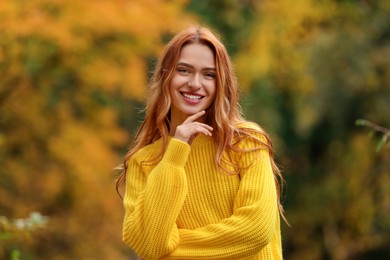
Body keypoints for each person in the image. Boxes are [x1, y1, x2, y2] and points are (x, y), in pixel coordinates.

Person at [116, 25, 287, 259]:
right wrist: (175, 153)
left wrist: (168, 253)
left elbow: (255, 231)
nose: (195, 84)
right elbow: (150, 244)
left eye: (209, 74)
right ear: (166, 76)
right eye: (184, 70)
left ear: (220, 84)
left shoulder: (246, 142)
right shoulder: (143, 162)